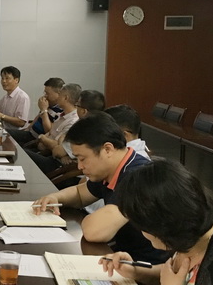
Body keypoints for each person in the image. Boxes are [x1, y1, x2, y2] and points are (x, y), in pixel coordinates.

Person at [33, 112, 169, 264]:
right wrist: (55, 197)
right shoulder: (113, 168)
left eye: (82, 159)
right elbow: (80, 194)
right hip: (120, 256)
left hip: (147, 268)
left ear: (107, 149)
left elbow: (94, 232)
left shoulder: (137, 177)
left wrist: (88, 220)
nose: (80, 166)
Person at [24, 83, 81, 173]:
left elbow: (56, 146)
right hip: (45, 151)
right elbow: (51, 133)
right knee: (18, 150)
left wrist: (42, 137)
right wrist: (46, 139)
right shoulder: (62, 115)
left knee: (22, 154)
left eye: (60, 94)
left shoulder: (73, 121)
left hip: (55, 161)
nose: (58, 97)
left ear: (66, 98)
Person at [9, 77, 65, 144]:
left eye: (48, 93)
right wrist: (28, 128)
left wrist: (44, 110)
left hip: (37, 139)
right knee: (5, 133)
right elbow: (38, 117)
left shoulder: (61, 111)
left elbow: (48, 131)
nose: (45, 96)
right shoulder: (49, 104)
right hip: (30, 133)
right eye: (45, 92)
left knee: (8, 135)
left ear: (59, 94)